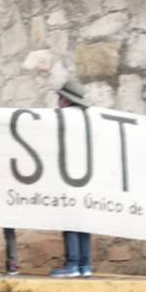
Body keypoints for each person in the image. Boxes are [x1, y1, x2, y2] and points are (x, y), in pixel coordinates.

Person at [49, 78, 93, 278]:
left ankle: (72, 264)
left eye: (60, 97)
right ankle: (85, 264)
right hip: (87, 175)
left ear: (66, 100)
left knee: (70, 220)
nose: (58, 101)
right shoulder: (87, 120)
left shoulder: (64, 119)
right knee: (83, 221)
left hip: (70, 175)